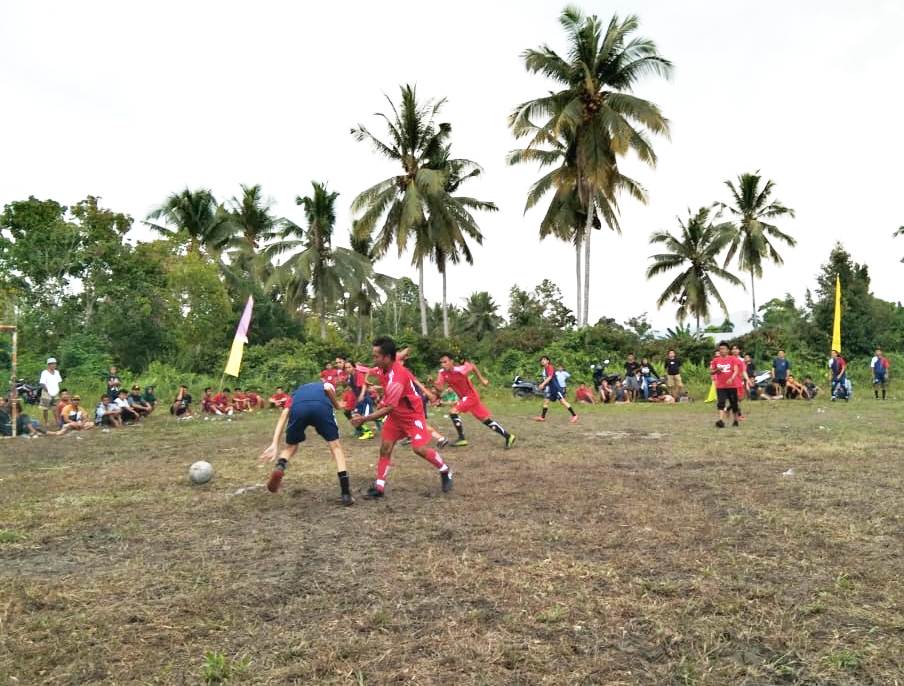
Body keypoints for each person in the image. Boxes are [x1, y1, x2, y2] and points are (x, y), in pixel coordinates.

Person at [350, 336, 453, 499]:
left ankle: (445, 470)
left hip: (412, 416)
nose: (373, 359)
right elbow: (397, 356)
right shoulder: (388, 363)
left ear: (387, 357)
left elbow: (388, 407)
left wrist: (364, 419)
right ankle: (379, 487)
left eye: (376, 356)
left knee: (419, 449)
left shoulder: (397, 379)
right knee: (385, 448)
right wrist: (405, 351)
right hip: (395, 416)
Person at [258, 379, 354, 506]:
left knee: (291, 446)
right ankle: (346, 493)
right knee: (336, 447)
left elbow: (284, 414)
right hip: (320, 407)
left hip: (299, 408)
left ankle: (280, 465)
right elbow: (327, 388)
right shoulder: (323, 385)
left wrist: (274, 443)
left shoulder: (296, 392)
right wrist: (336, 405)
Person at [434, 353, 516, 449]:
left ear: (451, 362)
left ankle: (462, 438)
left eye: (445, 362)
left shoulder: (460, 369)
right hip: (465, 398)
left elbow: (472, 366)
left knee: (453, 412)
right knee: (485, 420)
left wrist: (482, 380)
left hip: (470, 396)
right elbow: (439, 387)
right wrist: (434, 384)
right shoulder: (442, 373)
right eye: (441, 363)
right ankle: (508, 436)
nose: (443, 364)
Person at [535, 355, 578, 423]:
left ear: (548, 361)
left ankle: (574, 415)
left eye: (544, 359)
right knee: (546, 401)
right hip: (551, 389)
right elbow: (548, 379)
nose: (542, 361)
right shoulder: (545, 369)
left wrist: (543, 384)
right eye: (541, 360)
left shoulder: (550, 367)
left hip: (556, 388)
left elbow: (549, 377)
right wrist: (544, 385)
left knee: (563, 402)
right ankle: (542, 417)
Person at [710, 341, 742, 428]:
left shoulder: (732, 359)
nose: (721, 350)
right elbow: (711, 372)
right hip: (720, 386)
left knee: (734, 404)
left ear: (728, 350)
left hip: (732, 385)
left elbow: (736, 370)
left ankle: (735, 420)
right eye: (720, 349)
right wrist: (717, 370)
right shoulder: (715, 360)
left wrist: (731, 378)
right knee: (721, 403)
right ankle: (721, 420)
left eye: (723, 348)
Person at [39, 357, 63, 427]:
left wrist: (58, 391)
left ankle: (57, 421)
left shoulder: (57, 372)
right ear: (48, 365)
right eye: (52, 364)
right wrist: (48, 391)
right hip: (46, 392)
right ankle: (46, 422)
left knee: (55, 407)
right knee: (45, 408)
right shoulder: (44, 372)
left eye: (55, 364)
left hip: (55, 392)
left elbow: (59, 382)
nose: (54, 365)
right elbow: (42, 383)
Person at [731, 345, 750, 419]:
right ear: (731, 351)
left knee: (740, 399)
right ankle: (739, 414)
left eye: (736, 349)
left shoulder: (742, 360)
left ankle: (729, 409)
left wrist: (747, 380)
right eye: (733, 349)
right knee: (735, 399)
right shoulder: (729, 359)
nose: (735, 350)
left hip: (740, 382)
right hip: (732, 382)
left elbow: (744, 371)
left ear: (739, 351)